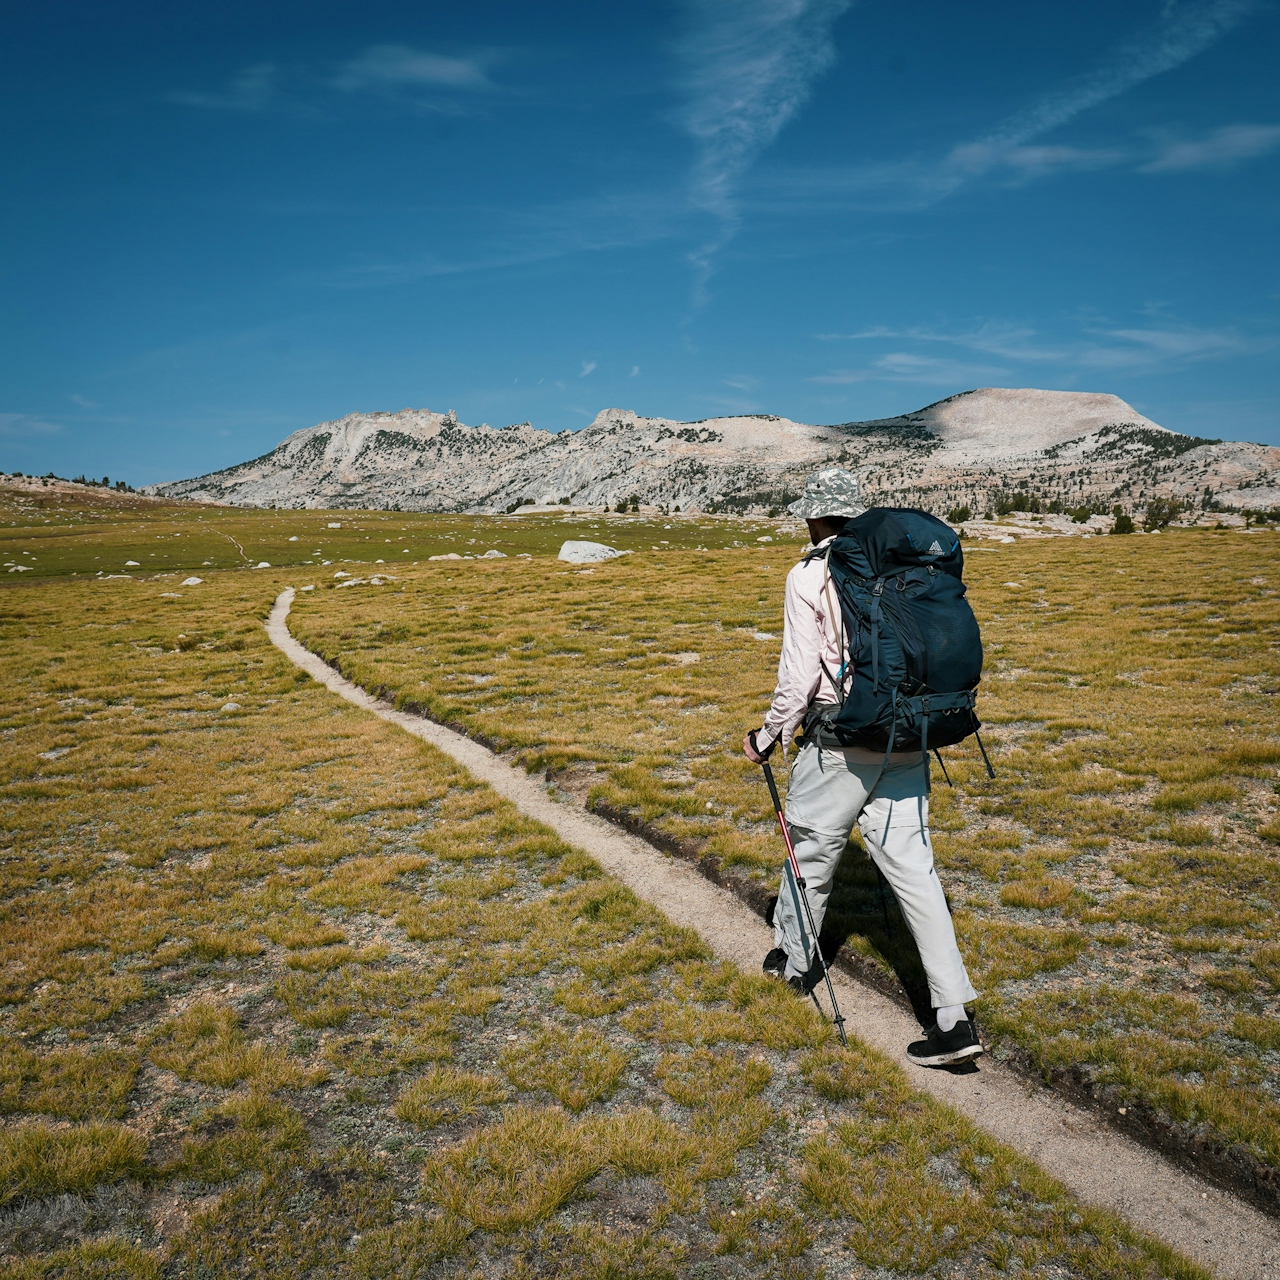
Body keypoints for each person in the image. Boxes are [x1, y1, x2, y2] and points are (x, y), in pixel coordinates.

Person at [742, 467, 982, 1066]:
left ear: (818, 516)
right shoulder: (904, 566)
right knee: (916, 871)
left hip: (840, 741)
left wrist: (768, 735)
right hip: (908, 730)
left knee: (811, 854)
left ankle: (794, 964)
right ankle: (953, 1016)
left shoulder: (809, 574)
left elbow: (798, 680)